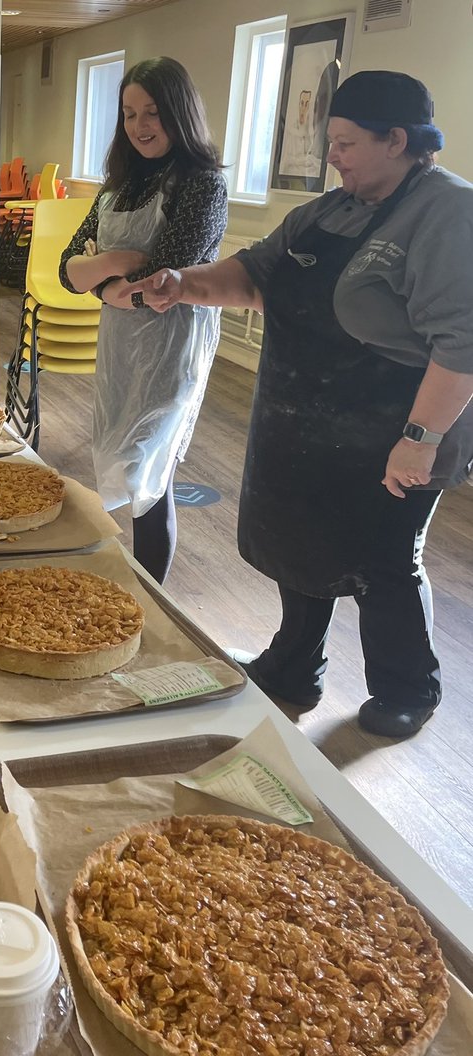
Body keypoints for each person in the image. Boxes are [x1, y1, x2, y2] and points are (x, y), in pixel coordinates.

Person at [137, 71, 473, 738]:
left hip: (394, 425)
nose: (333, 156)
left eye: (346, 143)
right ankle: (294, 667)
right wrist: (183, 283)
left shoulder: (448, 213)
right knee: (302, 545)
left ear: (396, 140)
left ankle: (409, 688)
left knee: (385, 559)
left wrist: (420, 438)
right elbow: (254, 274)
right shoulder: (329, 210)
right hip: (305, 417)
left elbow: (463, 342)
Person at [59, 57, 227, 583]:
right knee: (123, 464)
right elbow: (67, 271)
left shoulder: (202, 184)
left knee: (148, 476)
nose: (140, 126)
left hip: (172, 347)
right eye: (129, 114)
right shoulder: (119, 184)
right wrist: (111, 267)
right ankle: (133, 589)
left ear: (180, 112)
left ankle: (149, 598)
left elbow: (160, 283)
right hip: (121, 348)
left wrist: (104, 281)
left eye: (153, 112)